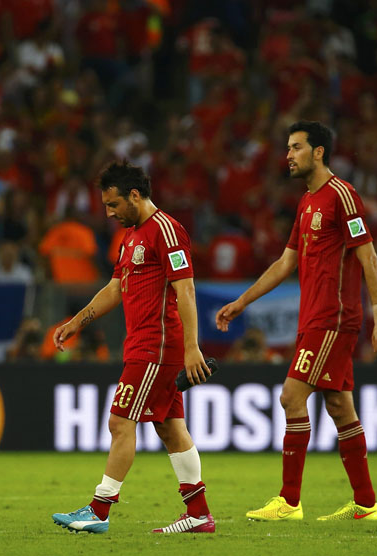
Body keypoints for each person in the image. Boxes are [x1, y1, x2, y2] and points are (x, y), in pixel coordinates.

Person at [215, 121, 377, 522]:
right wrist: (241, 301)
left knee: (290, 398)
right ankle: (366, 504)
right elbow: (285, 263)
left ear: (318, 153)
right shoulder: (307, 202)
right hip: (314, 317)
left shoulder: (342, 196)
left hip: (333, 318)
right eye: (287, 148)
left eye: (296, 147)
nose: (288, 155)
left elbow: (368, 256)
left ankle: (289, 501)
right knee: (339, 406)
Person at [51, 161, 216, 534]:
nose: (109, 213)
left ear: (135, 196)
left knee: (119, 421)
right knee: (170, 427)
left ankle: (99, 509)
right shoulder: (132, 236)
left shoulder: (167, 230)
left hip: (156, 346)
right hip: (144, 344)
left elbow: (185, 289)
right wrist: (76, 322)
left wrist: (192, 348)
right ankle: (199, 513)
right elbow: (114, 289)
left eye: (113, 205)